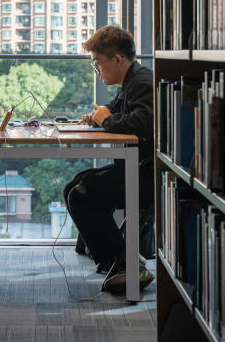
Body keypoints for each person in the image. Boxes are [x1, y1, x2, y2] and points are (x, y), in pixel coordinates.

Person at [63, 25, 155, 294]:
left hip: (147, 174)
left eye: (98, 63)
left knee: (81, 193)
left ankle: (125, 264)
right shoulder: (129, 83)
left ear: (118, 59)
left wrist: (108, 118)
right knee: (74, 186)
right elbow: (115, 112)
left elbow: (145, 122)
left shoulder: (141, 82)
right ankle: (115, 256)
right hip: (135, 168)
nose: (97, 70)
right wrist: (98, 117)